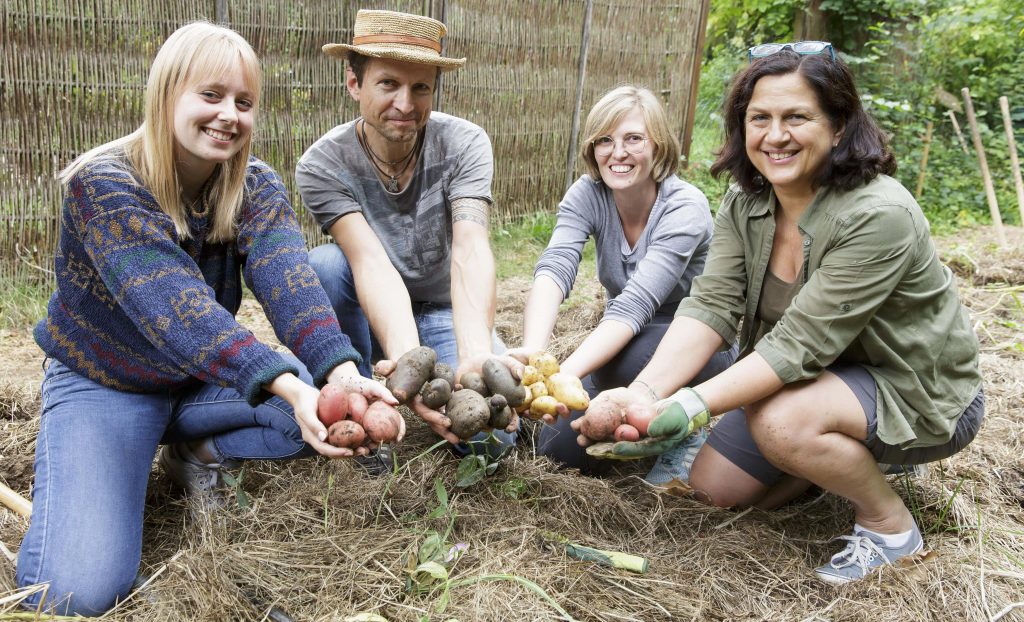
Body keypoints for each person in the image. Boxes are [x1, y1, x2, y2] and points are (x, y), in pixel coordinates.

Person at [16, 23, 396, 616]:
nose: (229, 116)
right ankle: (99, 463)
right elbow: (178, 310)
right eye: (211, 96)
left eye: (244, 103)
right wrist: (292, 384)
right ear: (168, 93)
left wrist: (341, 374)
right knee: (76, 592)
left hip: (200, 381)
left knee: (320, 422)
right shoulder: (104, 183)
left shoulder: (254, 185)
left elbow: (291, 283)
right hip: (106, 383)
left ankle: (196, 453)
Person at [579, 41, 984, 583]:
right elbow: (711, 305)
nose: (774, 136)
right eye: (759, 118)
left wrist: (692, 406)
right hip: (817, 377)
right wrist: (645, 394)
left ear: (839, 125)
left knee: (780, 422)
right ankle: (823, 463)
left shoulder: (878, 213)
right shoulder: (746, 201)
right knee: (712, 490)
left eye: (797, 117)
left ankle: (889, 528)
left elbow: (797, 347)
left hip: (912, 387)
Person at [296, 10, 518, 455]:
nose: (406, 103)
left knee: (489, 442)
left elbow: (470, 245)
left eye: (421, 87)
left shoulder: (465, 144)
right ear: (354, 83)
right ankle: (357, 390)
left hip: (443, 306)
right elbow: (369, 261)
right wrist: (409, 366)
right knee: (323, 264)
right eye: (388, 84)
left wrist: (474, 353)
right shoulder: (321, 165)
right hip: (368, 305)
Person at [509, 85, 735, 478]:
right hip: (626, 337)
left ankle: (683, 432)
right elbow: (556, 266)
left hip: (695, 344)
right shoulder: (588, 194)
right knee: (558, 451)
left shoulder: (684, 207)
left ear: (658, 146)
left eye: (633, 139)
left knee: (617, 364)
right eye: (605, 140)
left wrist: (565, 376)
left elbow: (636, 304)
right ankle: (637, 422)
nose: (618, 153)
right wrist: (535, 353)